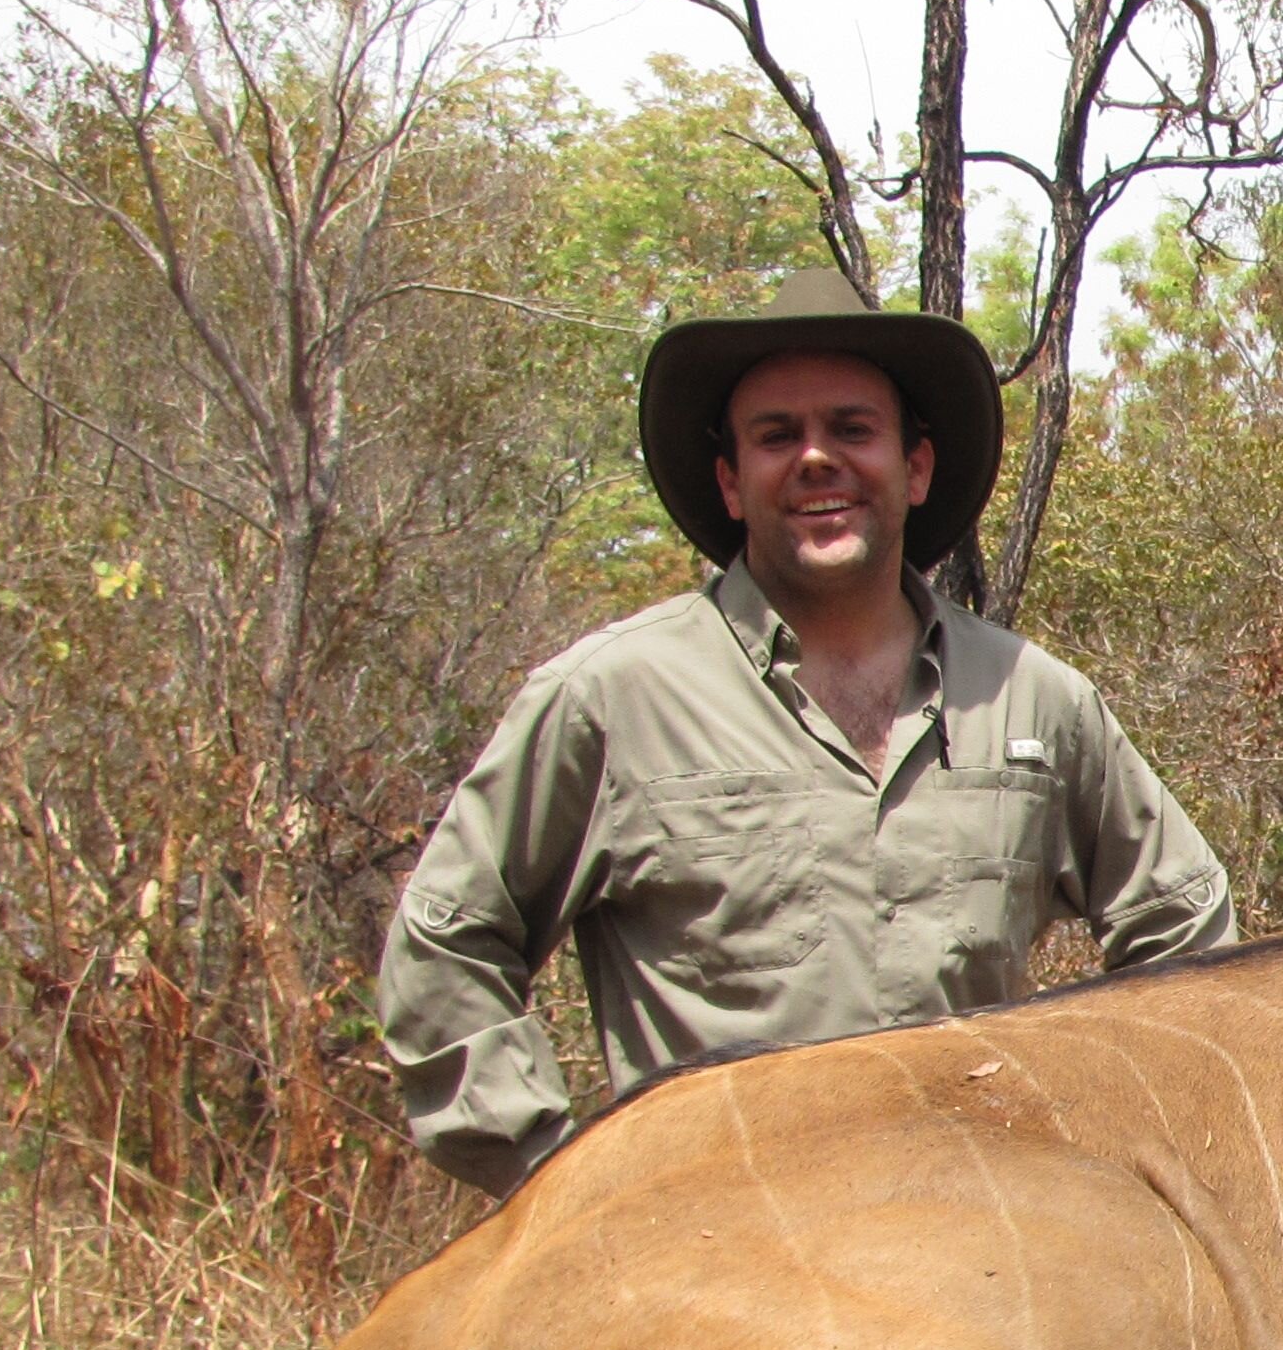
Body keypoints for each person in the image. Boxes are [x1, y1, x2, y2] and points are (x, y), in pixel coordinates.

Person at [380, 269, 1235, 1196]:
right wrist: (563, 1188)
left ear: (914, 467)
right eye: (776, 436)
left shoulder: (1033, 700)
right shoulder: (613, 698)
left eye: (852, 429)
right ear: (730, 483)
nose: (817, 459)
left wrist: (1103, 1163)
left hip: (985, 1272)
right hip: (719, 1279)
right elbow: (448, 941)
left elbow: (1185, 928)